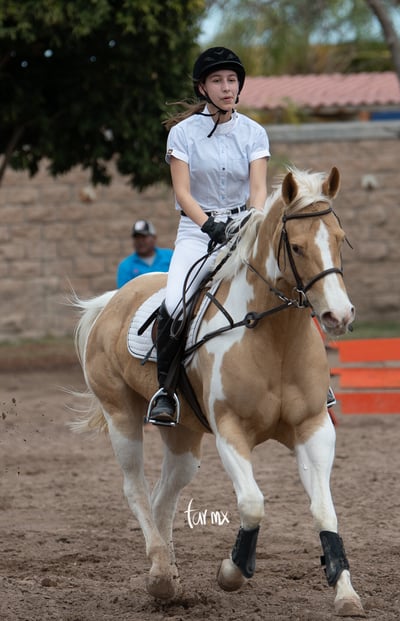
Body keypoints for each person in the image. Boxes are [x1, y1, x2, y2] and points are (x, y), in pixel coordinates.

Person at [147, 47, 270, 425]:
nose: (226, 87)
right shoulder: (181, 134)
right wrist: (209, 226)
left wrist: (249, 222)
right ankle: (165, 391)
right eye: (217, 80)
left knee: (286, 285)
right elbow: (183, 192)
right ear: (203, 87)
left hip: (243, 228)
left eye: (232, 80)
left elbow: (259, 189)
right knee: (175, 302)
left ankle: (318, 385)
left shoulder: (254, 131)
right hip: (197, 233)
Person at [116, 220, 173, 287]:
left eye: (144, 237)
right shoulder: (126, 266)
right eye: (137, 238)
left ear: (154, 238)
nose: (140, 241)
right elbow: (124, 294)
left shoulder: (170, 257)